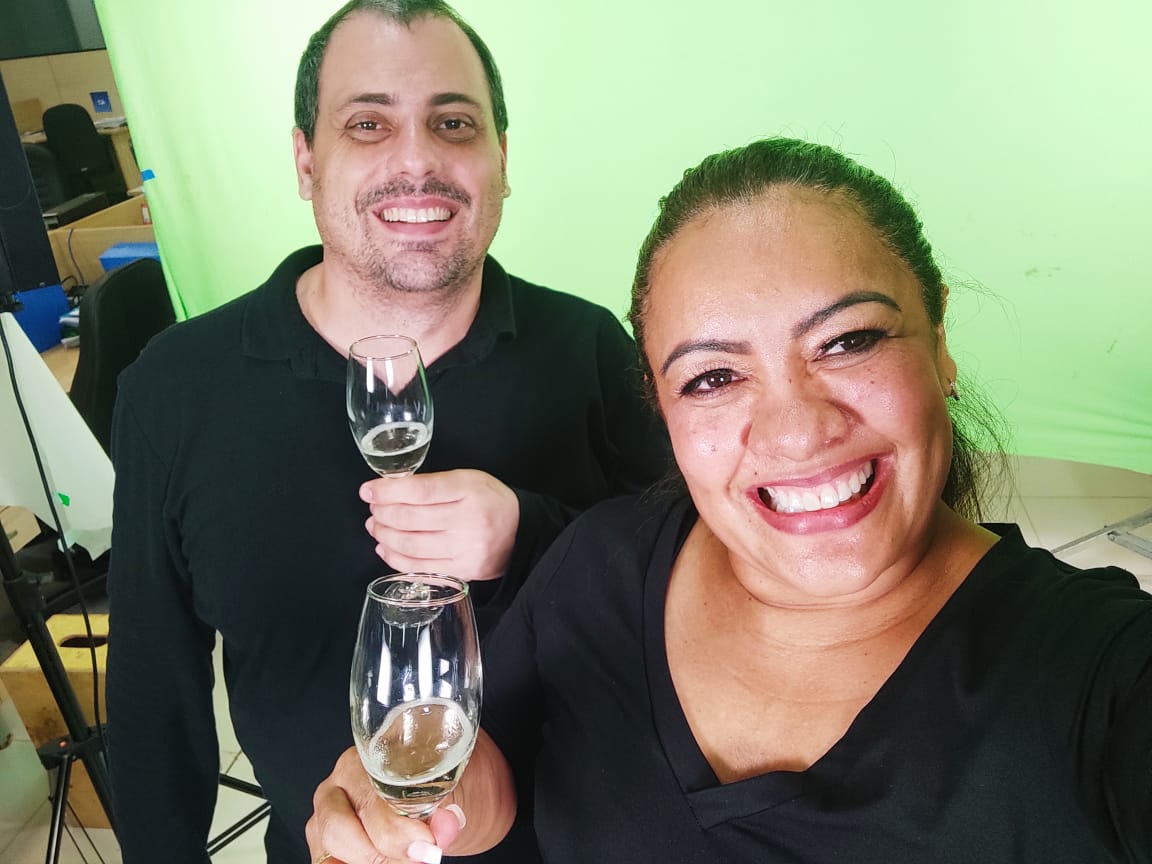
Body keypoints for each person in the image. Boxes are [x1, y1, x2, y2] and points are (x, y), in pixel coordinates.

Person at [306, 136, 1152, 864]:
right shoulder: (600, 564)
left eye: (848, 340)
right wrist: (436, 808)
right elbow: (503, 774)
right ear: (663, 411)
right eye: (712, 377)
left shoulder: (1098, 678)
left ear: (940, 343)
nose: (797, 432)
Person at [104, 2, 669, 863]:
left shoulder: (592, 351)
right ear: (306, 160)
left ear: (502, 158)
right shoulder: (176, 388)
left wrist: (534, 534)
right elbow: (154, 698)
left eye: (454, 123)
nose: (417, 160)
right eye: (368, 124)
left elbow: (693, 590)